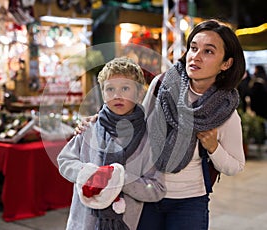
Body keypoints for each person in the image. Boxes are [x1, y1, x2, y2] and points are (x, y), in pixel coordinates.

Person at [75, 19, 246, 230]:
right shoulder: (162, 85)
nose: (196, 56)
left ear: (226, 63)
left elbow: (235, 166)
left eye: (208, 51)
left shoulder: (224, 112)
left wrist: (213, 148)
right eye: (193, 48)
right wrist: (100, 119)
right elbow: (136, 120)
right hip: (146, 193)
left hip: (189, 202)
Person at [57, 57, 166, 230]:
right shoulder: (90, 128)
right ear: (102, 93)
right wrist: (90, 174)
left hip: (126, 224)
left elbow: (157, 189)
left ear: (139, 93)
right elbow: (64, 161)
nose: (117, 95)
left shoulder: (149, 138)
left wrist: (118, 179)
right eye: (110, 89)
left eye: (125, 88)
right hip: (84, 223)